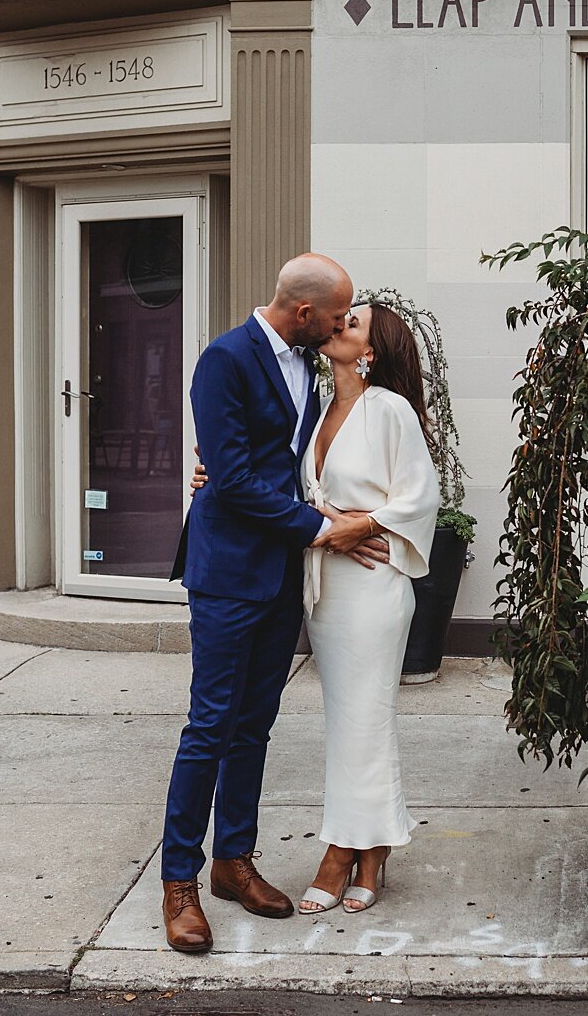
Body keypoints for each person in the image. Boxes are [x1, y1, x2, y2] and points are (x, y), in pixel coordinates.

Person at [162, 254, 389, 954]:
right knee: (210, 725)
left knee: (253, 726)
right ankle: (179, 882)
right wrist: (326, 530)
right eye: (337, 313)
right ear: (303, 314)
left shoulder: (310, 369)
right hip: (228, 572)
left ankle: (234, 861)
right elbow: (229, 481)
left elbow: (284, 465)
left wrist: (337, 514)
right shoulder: (224, 360)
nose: (342, 323)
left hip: (280, 575)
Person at [190, 299, 440, 916]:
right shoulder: (317, 408)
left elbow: (421, 493)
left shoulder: (391, 410)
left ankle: (343, 850)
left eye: (350, 323)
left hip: (372, 586)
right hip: (321, 587)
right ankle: (374, 844)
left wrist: (368, 524)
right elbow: (270, 473)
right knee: (350, 721)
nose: (336, 326)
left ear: (373, 350)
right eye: (337, 318)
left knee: (365, 717)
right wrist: (214, 478)